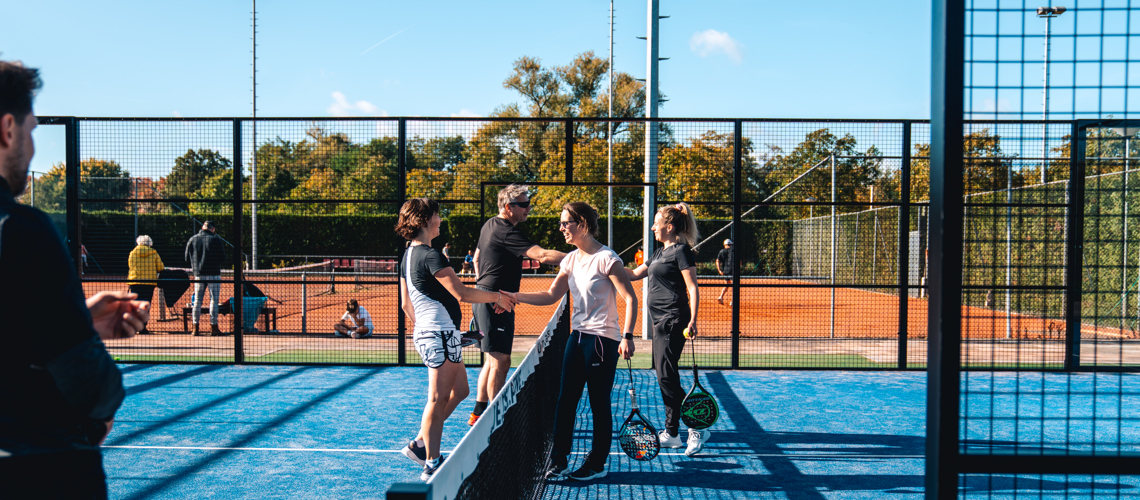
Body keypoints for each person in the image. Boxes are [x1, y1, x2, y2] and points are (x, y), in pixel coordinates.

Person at [0, 59, 150, 499]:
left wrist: (77, 320)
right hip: (39, 470)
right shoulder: (22, 228)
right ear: (7, 128)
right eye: (31, 130)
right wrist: (99, 411)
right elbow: (91, 388)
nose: (30, 147)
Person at [503, 202, 638, 482]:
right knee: (565, 402)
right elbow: (552, 295)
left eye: (567, 223)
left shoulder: (607, 258)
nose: (562, 227)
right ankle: (559, 461)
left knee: (598, 403)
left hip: (603, 340)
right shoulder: (571, 260)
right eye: (562, 222)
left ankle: (597, 463)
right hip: (576, 337)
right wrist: (515, 296)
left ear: (583, 225)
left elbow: (630, 298)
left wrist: (627, 336)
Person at [396, 198, 518, 481]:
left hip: (438, 333)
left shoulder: (408, 255)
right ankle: (431, 461)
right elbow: (462, 293)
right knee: (437, 399)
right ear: (426, 220)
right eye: (437, 215)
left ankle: (420, 444)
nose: (440, 220)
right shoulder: (431, 255)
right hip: (437, 333)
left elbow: (406, 304)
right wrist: (499, 296)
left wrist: (443, 333)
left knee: (460, 390)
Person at [468, 184, 566, 426]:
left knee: (492, 359)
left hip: (490, 298)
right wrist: (584, 257)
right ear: (509, 207)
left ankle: (478, 413)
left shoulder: (490, 223)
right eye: (523, 205)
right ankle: (495, 420)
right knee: (501, 360)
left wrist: (485, 286)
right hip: (494, 301)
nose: (528, 209)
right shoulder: (506, 231)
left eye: (528, 203)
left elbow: (478, 258)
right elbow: (542, 255)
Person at [625, 203, 709, 456]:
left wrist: (693, 319)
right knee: (666, 376)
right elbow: (632, 273)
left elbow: (692, 287)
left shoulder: (681, 251)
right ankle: (672, 434)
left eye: (655, 223)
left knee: (665, 376)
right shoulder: (659, 254)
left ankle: (697, 426)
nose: (652, 227)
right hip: (659, 322)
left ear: (669, 226)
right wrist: (602, 262)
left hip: (674, 319)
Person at [185, 221, 226, 336]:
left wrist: (196, 265)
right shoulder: (216, 240)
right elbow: (223, 257)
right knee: (214, 299)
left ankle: (195, 328)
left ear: (202, 227)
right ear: (213, 229)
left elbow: (186, 258)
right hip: (213, 273)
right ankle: (214, 327)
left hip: (198, 274)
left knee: (197, 301)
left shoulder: (193, 239)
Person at [127, 235, 164, 334]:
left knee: (135, 305)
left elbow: (130, 265)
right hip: (149, 283)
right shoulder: (154, 253)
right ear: (149, 243)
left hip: (135, 282)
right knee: (145, 305)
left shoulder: (132, 253)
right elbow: (160, 267)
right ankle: (142, 327)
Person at [716, 238, 735, 306]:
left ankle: (721, 296)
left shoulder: (722, 251)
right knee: (734, 286)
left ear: (724, 245)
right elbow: (739, 262)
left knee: (727, 283)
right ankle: (733, 301)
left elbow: (717, 261)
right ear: (731, 245)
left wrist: (719, 270)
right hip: (733, 270)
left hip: (725, 270)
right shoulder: (734, 251)